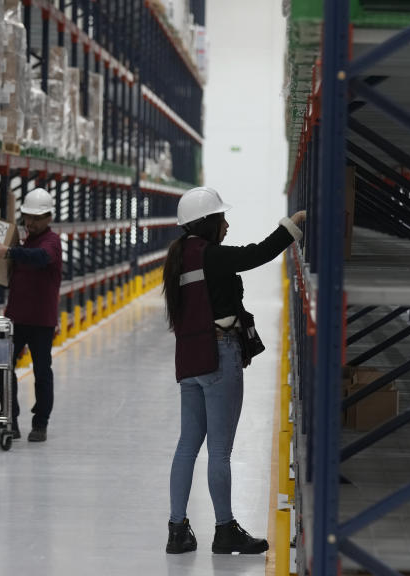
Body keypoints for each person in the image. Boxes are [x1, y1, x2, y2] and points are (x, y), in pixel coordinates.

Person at [162, 186, 306, 555]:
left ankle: (177, 530)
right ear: (206, 223)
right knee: (221, 451)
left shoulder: (178, 256)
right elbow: (257, 254)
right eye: (221, 218)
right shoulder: (210, 255)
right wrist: (291, 226)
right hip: (218, 354)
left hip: (189, 359)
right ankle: (225, 530)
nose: (226, 224)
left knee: (187, 446)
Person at [0, 187, 62, 443]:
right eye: (27, 217)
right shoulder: (23, 242)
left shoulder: (51, 242)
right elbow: (15, 274)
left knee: (42, 372)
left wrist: (9, 252)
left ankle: (40, 424)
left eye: (36, 218)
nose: (31, 223)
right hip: (15, 318)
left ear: (49, 217)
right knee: (3, 368)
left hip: (41, 321)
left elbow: (41, 258)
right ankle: (9, 422)